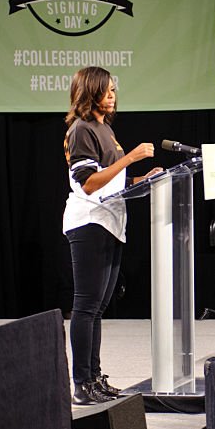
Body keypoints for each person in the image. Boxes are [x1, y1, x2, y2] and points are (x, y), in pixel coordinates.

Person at [63, 66, 161, 405]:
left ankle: (94, 377)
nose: (112, 95)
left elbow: (111, 182)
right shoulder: (81, 130)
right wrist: (131, 158)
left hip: (110, 221)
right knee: (86, 305)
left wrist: (143, 178)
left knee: (98, 306)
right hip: (89, 222)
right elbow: (89, 182)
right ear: (90, 91)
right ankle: (81, 384)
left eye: (114, 90)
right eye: (106, 90)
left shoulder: (105, 129)